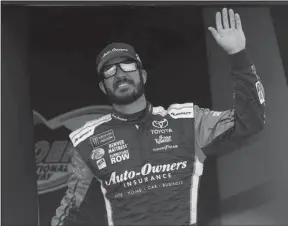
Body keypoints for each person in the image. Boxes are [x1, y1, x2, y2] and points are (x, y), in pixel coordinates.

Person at [51, 8, 266, 226]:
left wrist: (238, 55)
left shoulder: (187, 121)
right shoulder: (86, 141)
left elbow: (249, 121)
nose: (119, 74)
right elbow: (70, 209)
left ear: (142, 75)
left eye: (127, 65)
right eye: (109, 71)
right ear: (103, 87)